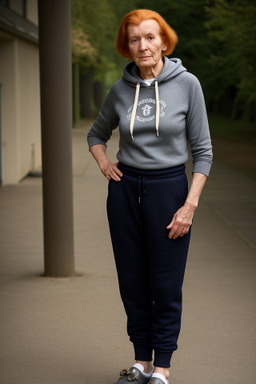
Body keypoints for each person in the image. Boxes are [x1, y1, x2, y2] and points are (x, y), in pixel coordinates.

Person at [87, 9, 213, 384]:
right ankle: (141, 361)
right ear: (127, 47)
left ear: (164, 41)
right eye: (134, 39)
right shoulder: (119, 89)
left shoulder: (187, 84)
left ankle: (162, 368)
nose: (143, 46)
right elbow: (96, 134)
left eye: (150, 37)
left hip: (169, 190)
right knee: (132, 280)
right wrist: (105, 164)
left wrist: (189, 205)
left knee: (165, 283)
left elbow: (203, 151)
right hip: (125, 191)